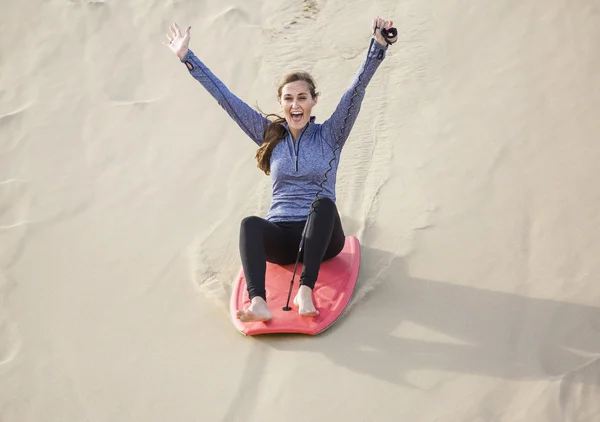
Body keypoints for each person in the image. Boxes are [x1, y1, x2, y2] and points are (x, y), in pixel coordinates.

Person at [165, 17, 394, 322]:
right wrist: (186, 57)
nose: (295, 104)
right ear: (281, 102)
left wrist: (377, 46)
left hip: (323, 239)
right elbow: (226, 99)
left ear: (313, 101)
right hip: (282, 238)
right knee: (249, 224)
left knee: (323, 204)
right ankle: (258, 301)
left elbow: (356, 91)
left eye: (302, 97)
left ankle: (305, 290)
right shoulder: (269, 135)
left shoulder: (331, 134)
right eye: (289, 98)